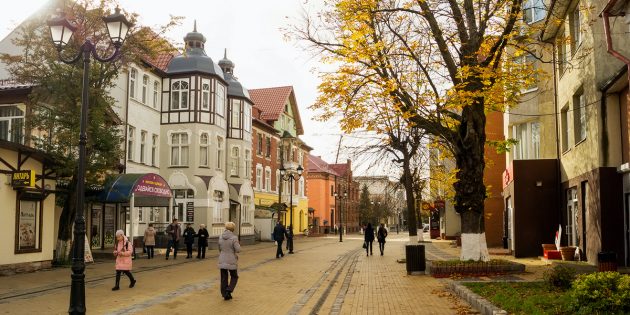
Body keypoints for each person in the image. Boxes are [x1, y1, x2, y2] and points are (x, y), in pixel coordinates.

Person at [218, 221, 240, 300]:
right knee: (234, 276)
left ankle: (225, 294)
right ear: (233, 228)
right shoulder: (234, 238)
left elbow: (219, 248)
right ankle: (229, 290)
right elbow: (238, 249)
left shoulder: (220, 237)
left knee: (224, 277)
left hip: (222, 258)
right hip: (231, 259)